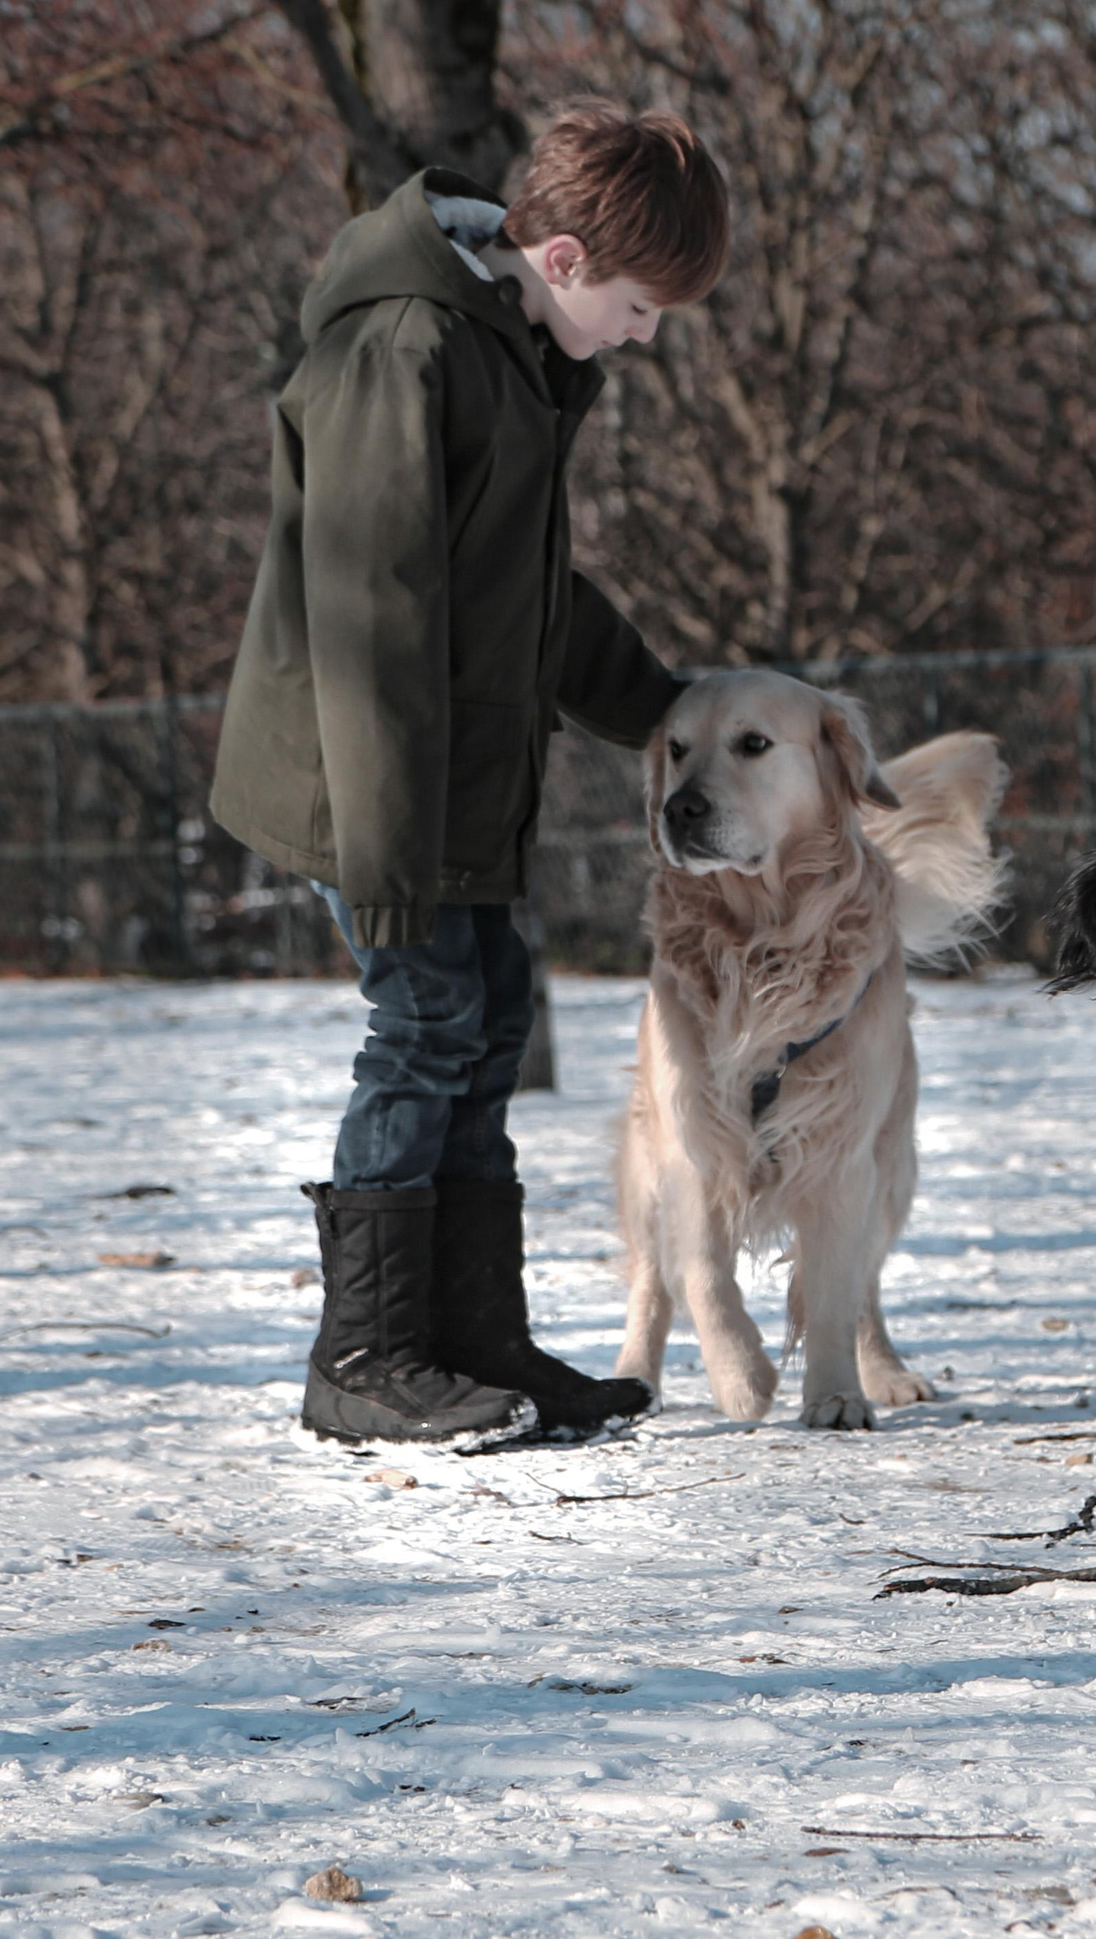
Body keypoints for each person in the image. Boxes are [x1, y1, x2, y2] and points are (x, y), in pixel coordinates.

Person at [211, 102, 729, 1446]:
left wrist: (670, 709)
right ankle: (367, 1355)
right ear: (559, 263)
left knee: (488, 1015)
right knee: (425, 1026)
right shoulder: (410, 345)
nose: (644, 332)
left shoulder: (511, 354)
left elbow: (530, 595)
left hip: (452, 780)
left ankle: (474, 1340)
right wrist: (388, 864)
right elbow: (371, 619)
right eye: (636, 303)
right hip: (372, 781)